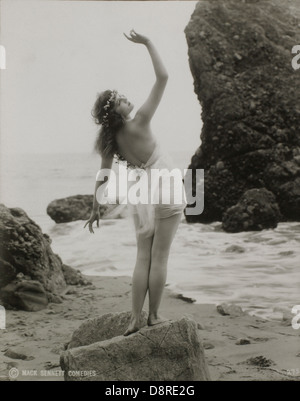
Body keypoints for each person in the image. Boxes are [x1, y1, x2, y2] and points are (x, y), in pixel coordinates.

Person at [84, 29, 187, 336]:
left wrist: (95, 207)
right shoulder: (140, 120)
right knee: (160, 256)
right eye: (120, 101)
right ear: (114, 113)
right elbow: (164, 77)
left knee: (143, 256)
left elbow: (104, 176)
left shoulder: (109, 140)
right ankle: (153, 316)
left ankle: (134, 319)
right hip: (165, 182)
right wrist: (148, 43)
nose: (127, 100)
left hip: (141, 190)